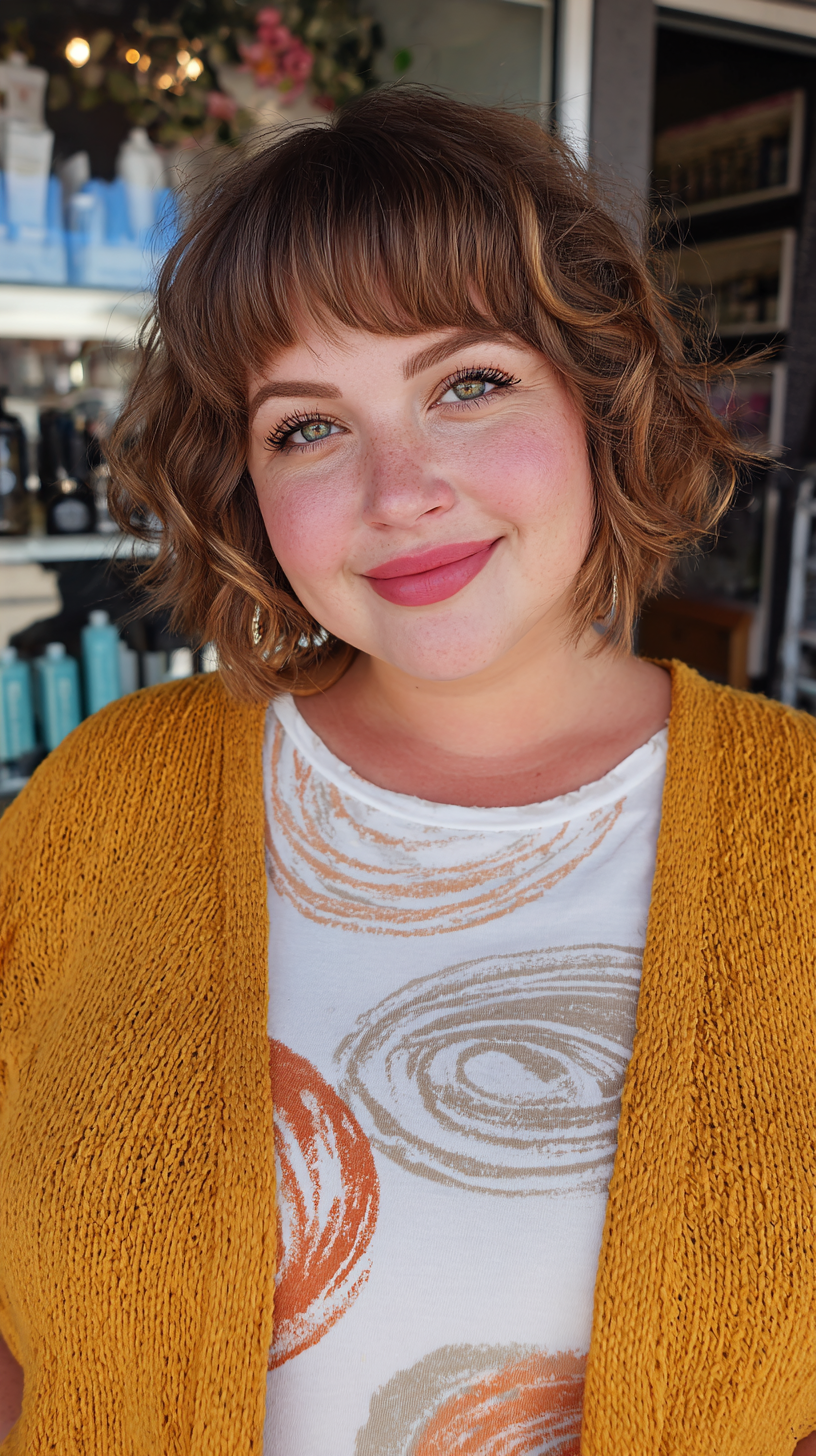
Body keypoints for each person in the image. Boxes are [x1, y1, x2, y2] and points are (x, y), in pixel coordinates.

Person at [0, 86, 814, 1456]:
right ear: (243, 483)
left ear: (598, 398)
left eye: (470, 384)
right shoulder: (107, 797)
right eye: (307, 426)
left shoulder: (802, 835)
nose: (399, 489)